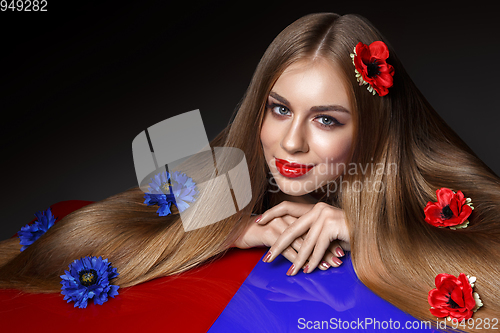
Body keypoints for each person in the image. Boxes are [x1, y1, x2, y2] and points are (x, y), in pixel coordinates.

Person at [1, 12, 499, 329]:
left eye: (326, 119)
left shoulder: (438, 190)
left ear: (374, 128)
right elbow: (61, 255)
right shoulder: (227, 177)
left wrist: (366, 227)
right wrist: (229, 228)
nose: (291, 141)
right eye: (279, 108)